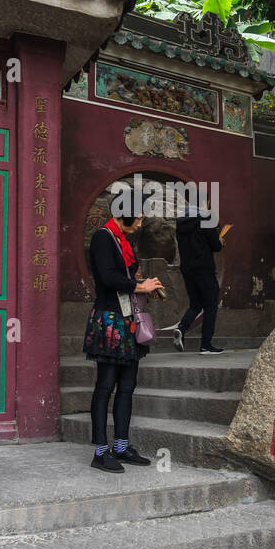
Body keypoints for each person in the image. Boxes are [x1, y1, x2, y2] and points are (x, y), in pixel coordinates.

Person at [82, 207, 163, 472]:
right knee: (105, 386)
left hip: (128, 320)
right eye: (137, 218)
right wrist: (140, 286)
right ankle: (100, 451)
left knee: (127, 386)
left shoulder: (123, 240)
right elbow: (108, 278)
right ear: (123, 213)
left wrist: (144, 283)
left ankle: (121, 446)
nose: (139, 224)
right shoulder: (102, 237)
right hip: (110, 320)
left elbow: (126, 276)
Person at [171, 189, 225, 354]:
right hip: (204, 268)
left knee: (196, 304)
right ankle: (205, 345)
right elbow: (215, 246)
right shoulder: (205, 218)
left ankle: (182, 328)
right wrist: (220, 240)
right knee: (210, 306)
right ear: (203, 203)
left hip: (187, 270)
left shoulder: (181, 222)